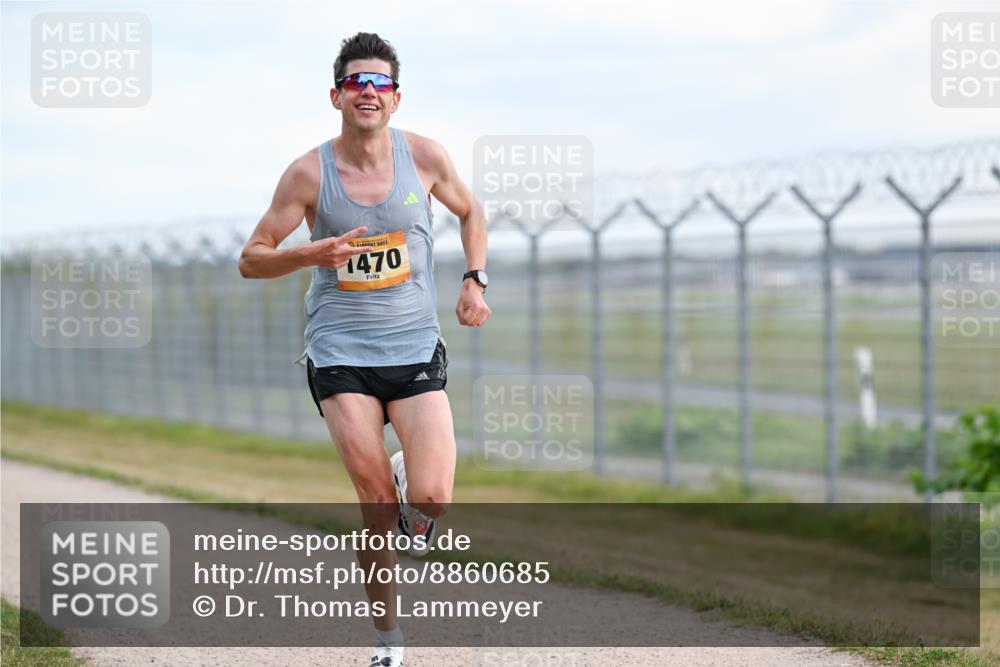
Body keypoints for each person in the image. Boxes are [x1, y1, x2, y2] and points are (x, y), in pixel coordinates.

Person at [238, 31, 490, 667]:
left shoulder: (426, 158)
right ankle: (387, 641)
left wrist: (473, 279)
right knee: (377, 505)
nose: (369, 92)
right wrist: (313, 252)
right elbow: (252, 259)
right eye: (357, 82)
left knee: (431, 501)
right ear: (337, 95)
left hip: (412, 348)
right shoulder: (307, 173)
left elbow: (471, 212)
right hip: (340, 350)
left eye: (380, 83)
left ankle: (411, 477)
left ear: (396, 98)